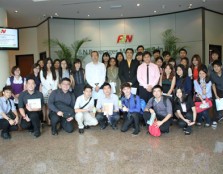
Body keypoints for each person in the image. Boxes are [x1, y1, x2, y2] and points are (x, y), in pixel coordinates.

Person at [40, 58, 58, 125]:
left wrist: (53, 90)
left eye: (50, 63)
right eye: (47, 63)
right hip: (45, 91)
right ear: (45, 64)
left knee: (51, 106)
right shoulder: (42, 71)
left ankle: (50, 121)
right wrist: (49, 89)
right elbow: (43, 81)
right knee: (46, 106)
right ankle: (46, 120)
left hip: (53, 91)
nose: (49, 64)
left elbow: (56, 81)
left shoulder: (55, 71)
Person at [210, 60, 223, 125]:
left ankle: (221, 116)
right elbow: (213, 84)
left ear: (221, 66)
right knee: (216, 102)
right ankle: (215, 119)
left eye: (218, 66)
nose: (216, 68)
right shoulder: (212, 74)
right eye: (215, 67)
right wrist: (216, 95)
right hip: (218, 90)